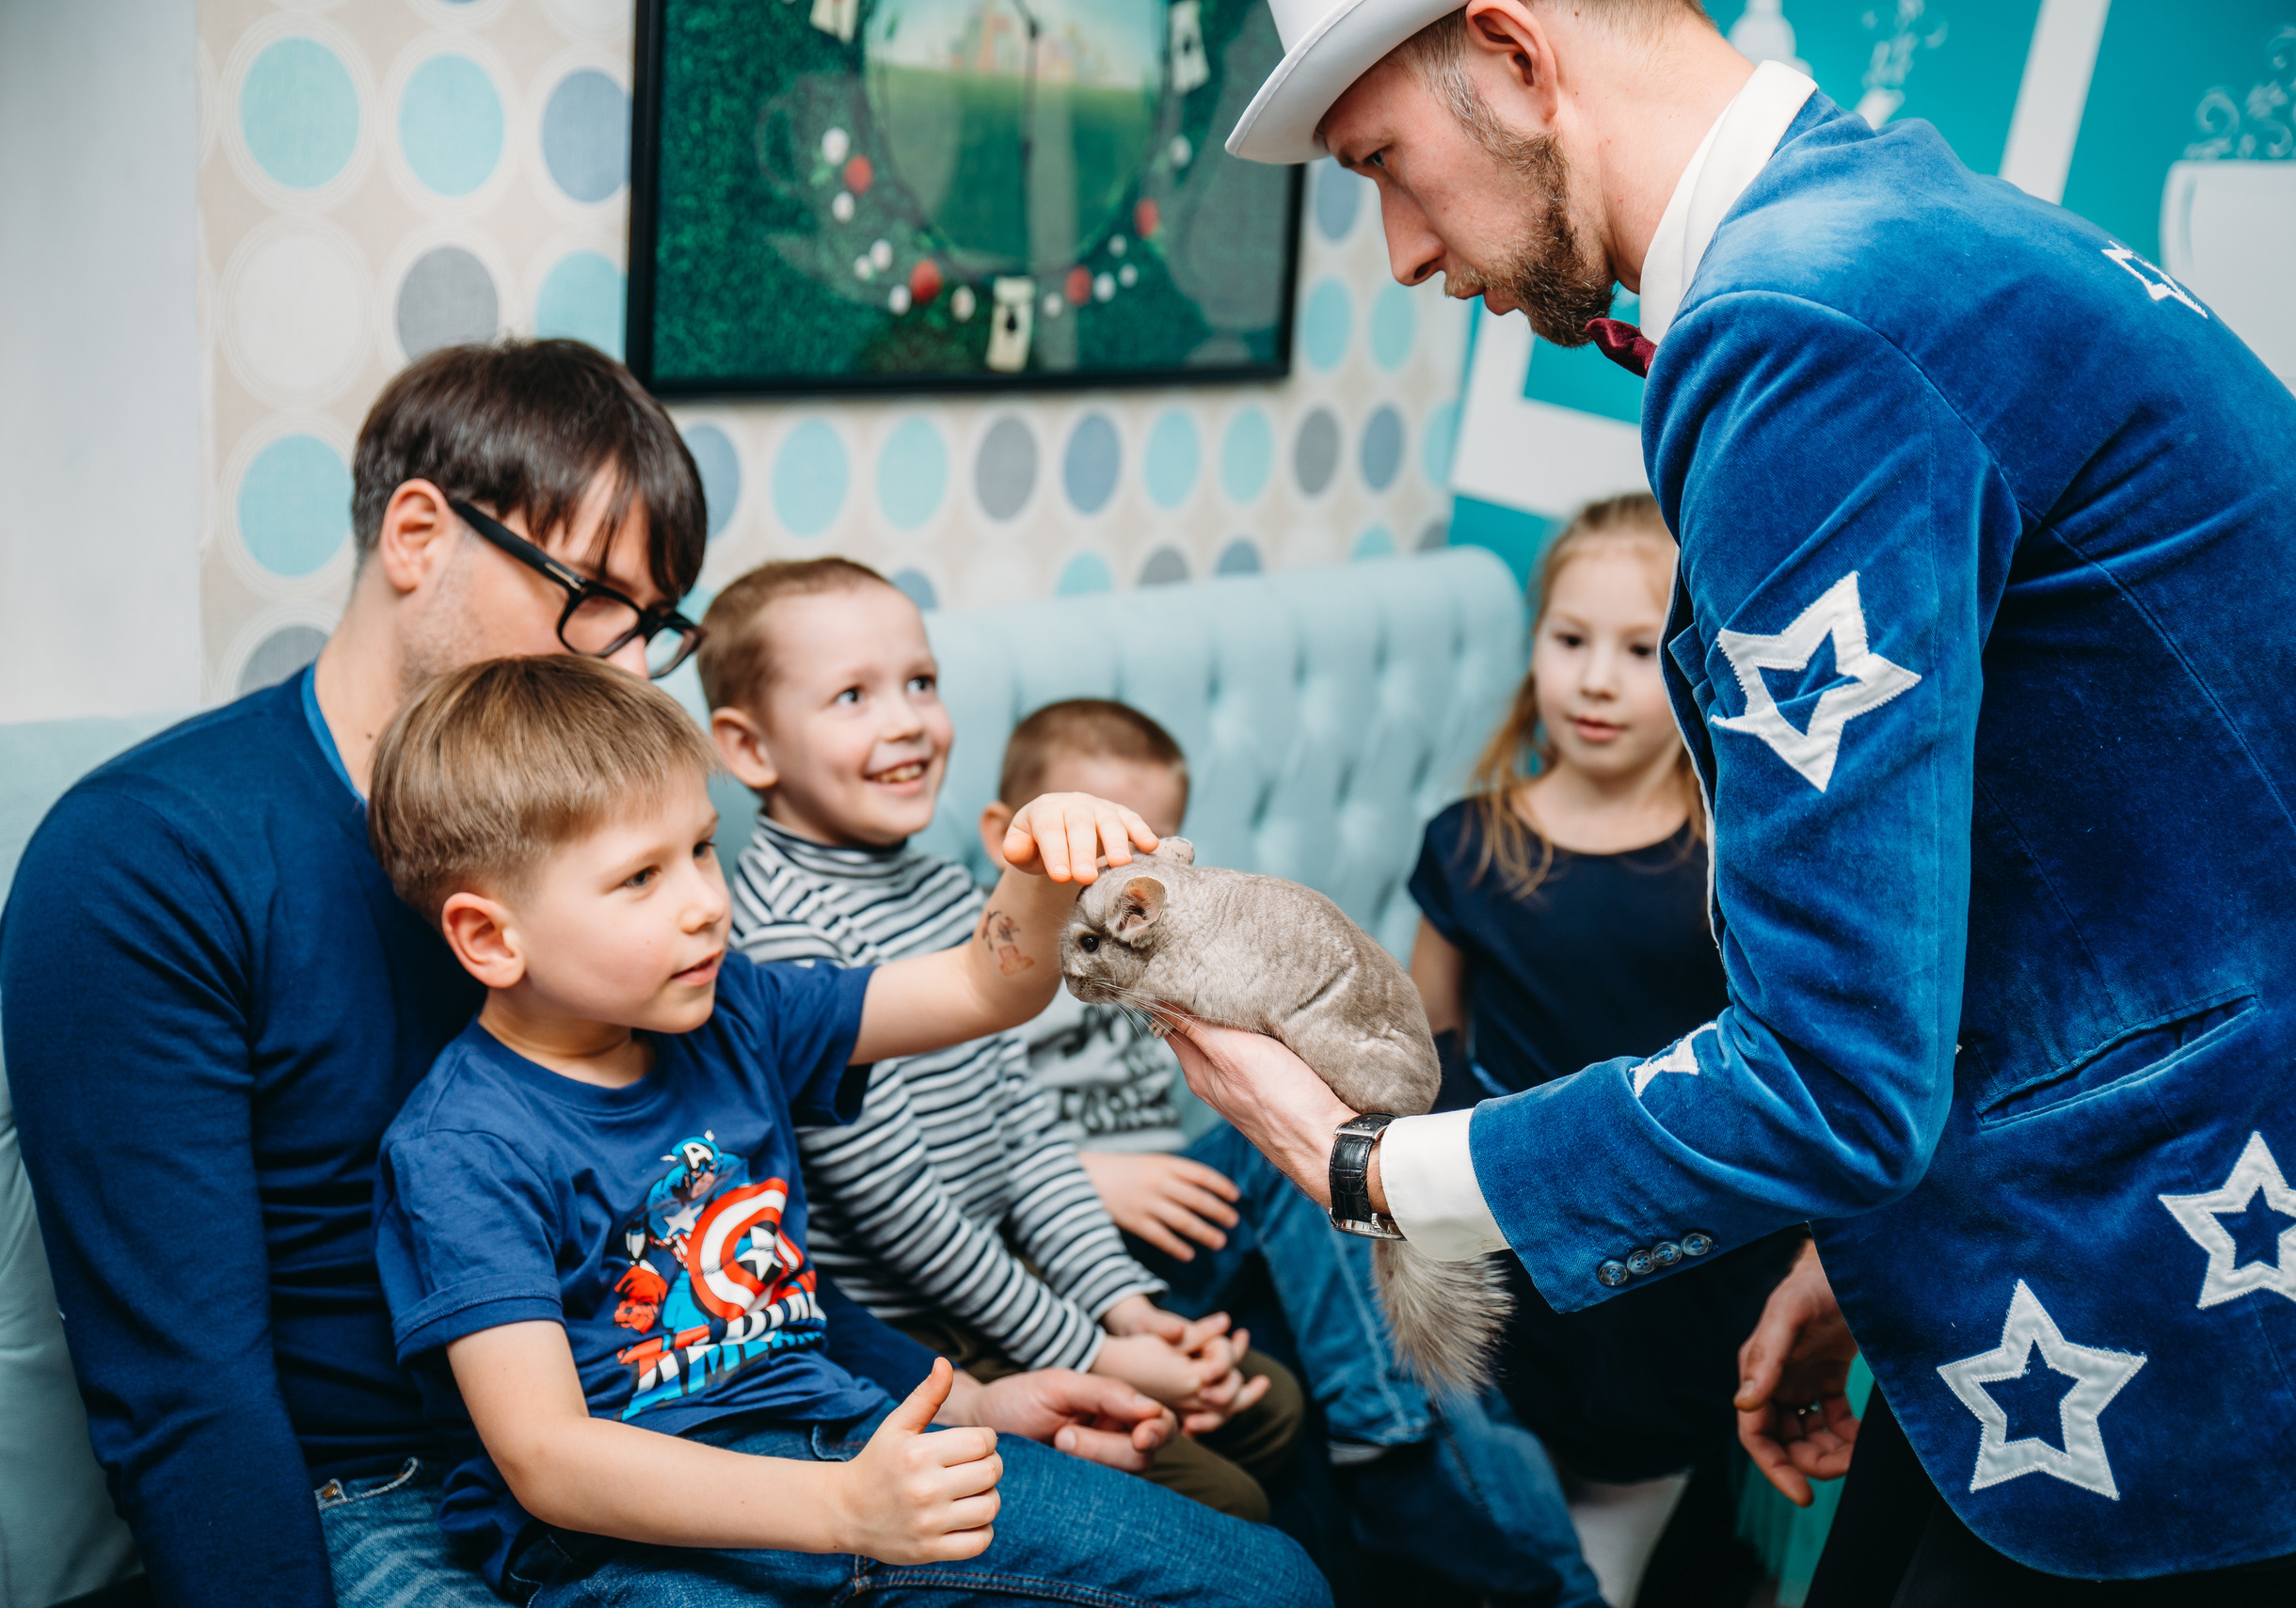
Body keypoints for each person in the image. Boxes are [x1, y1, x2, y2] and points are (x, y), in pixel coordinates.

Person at [1171, 2, 2296, 1602]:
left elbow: (1826, 1069)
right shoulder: (1905, 220)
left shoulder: (1802, 323)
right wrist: (1868, 1236)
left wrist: (1367, 1166)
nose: (1401, 249)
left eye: (1387, 166)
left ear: (1515, 54)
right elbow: (2089, 855)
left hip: (2189, 1291)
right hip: (2242, 1202)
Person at [0, 340, 1246, 1608]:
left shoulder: (629, 858)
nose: (630, 663)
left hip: (712, 1419)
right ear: (419, 534)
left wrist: (947, 1393)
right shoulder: (146, 861)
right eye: (590, 593)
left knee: (1242, 1552)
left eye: (654, 620)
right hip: (397, 1485)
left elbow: (707, 1215)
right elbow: (186, 1389)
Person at [363, 652, 1326, 1608]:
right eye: (639, 878)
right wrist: (837, 1507)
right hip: (625, 1541)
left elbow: (978, 986)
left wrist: (1036, 868)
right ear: (491, 936)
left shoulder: (736, 1009)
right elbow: (549, 1457)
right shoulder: (462, 1145)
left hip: (851, 1442)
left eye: (700, 849)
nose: (706, 902)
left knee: (1277, 1581)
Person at [697, 558, 1304, 1522]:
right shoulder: (784, 939)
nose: (905, 719)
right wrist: (1091, 1350)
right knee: (1231, 1490)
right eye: (852, 695)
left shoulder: (949, 889)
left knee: (1272, 1404)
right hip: (912, 1330)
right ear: (750, 745)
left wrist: (1119, 1301)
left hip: (1012, 1275)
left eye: (920, 683)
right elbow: (899, 1213)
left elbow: (1024, 1129)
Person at [983, 697, 1614, 1608]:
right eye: (1090, 853)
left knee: (1355, 1229)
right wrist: (1082, 1173)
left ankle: (1474, 1516)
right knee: (1337, 1188)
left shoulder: (1167, 948)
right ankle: (1400, 1460)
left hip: (1193, 1216)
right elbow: (938, 1163)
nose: (1121, 888)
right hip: (1074, 1240)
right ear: (1013, 834)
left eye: (1142, 854)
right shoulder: (989, 969)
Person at [1407, 498, 1798, 1606]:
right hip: (1511, 1232)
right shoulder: (1470, 839)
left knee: (1621, 1518)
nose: (1593, 679)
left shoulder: (1731, 850)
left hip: (1684, 1247)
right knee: (1518, 1486)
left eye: (1638, 649)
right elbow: (1423, 1038)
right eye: (1568, 640)